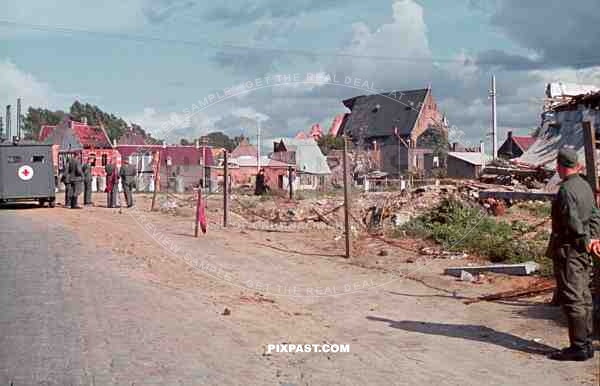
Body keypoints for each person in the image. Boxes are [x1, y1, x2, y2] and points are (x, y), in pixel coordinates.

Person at [547, 146, 599, 361]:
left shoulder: (566, 190)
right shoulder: (585, 186)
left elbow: (573, 222)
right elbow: (595, 214)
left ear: (559, 166)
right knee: (585, 296)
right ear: (576, 165)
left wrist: (584, 241)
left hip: (570, 250)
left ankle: (578, 347)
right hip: (584, 249)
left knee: (573, 297)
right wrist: (595, 239)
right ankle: (586, 344)